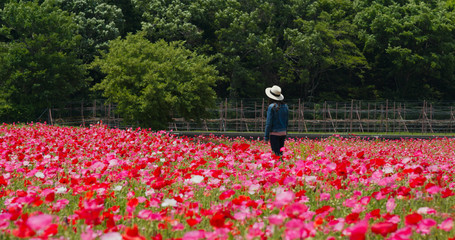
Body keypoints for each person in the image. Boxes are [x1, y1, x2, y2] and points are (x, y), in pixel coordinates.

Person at [264, 85, 289, 156]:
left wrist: (266, 137)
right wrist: (285, 132)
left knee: (276, 154)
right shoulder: (285, 107)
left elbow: (268, 123)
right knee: (280, 153)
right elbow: (286, 121)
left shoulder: (271, 107)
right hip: (283, 133)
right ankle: (282, 166)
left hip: (274, 134)